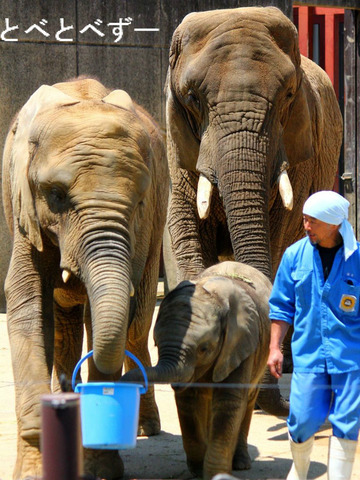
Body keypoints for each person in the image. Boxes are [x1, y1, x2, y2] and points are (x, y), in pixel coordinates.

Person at [267, 190, 360, 480]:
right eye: (304, 220)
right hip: (309, 355)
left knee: (347, 422)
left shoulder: (357, 259)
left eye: (312, 221)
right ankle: (300, 470)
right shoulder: (294, 256)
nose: (306, 226)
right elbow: (281, 306)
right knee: (302, 420)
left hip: (350, 359)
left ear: (333, 224)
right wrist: (275, 347)